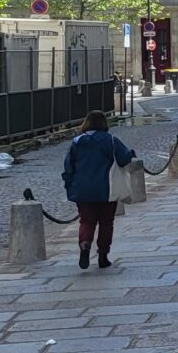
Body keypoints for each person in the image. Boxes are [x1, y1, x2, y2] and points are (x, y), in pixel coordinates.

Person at [60, 109, 136, 272]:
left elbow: (68, 166)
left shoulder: (77, 141)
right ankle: (103, 254)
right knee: (106, 222)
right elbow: (123, 159)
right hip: (106, 188)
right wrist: (131, 154)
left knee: (86, 221)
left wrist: (70, 185)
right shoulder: (111, 141)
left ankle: (85, 244)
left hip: (82, 190)